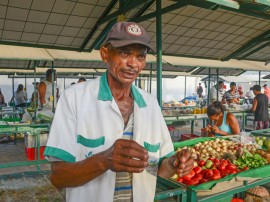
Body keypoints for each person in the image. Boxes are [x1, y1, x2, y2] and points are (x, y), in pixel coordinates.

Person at [44, 22, 194, 202]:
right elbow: (58, 177)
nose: (133, 64)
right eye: (125, 53)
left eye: (141, 56)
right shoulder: (74, 99)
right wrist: (104, 161)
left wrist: (174, 165)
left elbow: (160, 171)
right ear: (105, 54)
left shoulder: (151, 105)